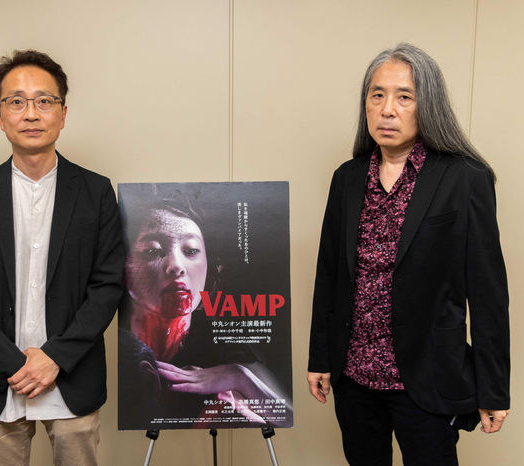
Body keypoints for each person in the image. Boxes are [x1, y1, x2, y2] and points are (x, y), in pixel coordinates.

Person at [307, 43, 510, 465]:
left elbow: (488, 294)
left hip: (427, 379)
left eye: (404, 97)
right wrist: (320, 357)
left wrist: (493, 389)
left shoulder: (465, 179)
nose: (387, 110)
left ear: (427, 104)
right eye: (377, 95)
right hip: (355, 378)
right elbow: (329, 276)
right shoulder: (346, 179)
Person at [0, 50, 124, 466]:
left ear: (63, 113)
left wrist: (55, 357)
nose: (30, 114)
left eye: (44, 101)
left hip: (72, 376)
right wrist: (15, 364)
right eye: (16, 101)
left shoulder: (96, 192)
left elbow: (107, 286)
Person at [119, 191, 290, 428]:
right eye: (153, 251)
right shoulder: (117, 344)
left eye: (190, 251)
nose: (176, 266)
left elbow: (287, 417)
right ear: (125, 265)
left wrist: (239, 377)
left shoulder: (223, 342)